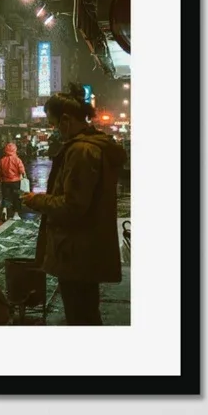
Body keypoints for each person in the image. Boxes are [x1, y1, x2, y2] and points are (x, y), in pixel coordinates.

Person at [21, 90, 127, 326]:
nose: (55, 130)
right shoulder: (91, 147)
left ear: (66, 120)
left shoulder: (81, 151)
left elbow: (73, 205)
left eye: (54, 124)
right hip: (84, 249)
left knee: (80, 315)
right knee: (86, 311)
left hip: (76, 250)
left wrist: (36, 200)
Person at [0, 136, 27, 221]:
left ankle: (4, 210)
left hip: (5, 182)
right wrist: (23, 175)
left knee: (5, 197)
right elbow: (22, 170)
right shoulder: (17, 160)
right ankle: (16, 214)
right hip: (16, 182)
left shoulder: (2, 160)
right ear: (15, 150)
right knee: (16, 197)